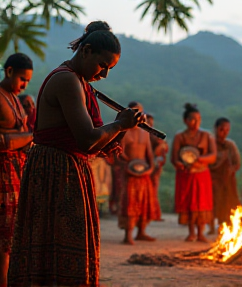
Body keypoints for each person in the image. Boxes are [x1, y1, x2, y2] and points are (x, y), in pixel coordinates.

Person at [8, 21, 145, 287]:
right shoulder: (66, 79)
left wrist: (124, 127)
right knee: (55, 248)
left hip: (68, 170)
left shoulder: (80, 81)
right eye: (102, 65)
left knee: (69, 248)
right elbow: (87, 139)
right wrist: (119, 124)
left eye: (110, 69)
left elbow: (100, 144)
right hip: (54, 171)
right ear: (86, 51)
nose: (104, 74)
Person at [0, 53, 33, 287]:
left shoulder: (14, 98)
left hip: (16, 170)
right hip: (2, 172)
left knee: (12, 235)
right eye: (22, 79)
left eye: (28, 82)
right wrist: (31, 135)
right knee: (4, 236)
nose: (24, 85)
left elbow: (13, 137)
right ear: (9, 71)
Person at [171, 103, 216, 243]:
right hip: (186, 174)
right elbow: (174, 158)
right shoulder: (180, 136)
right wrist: (181, 164)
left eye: (198, 119)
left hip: (202, 174)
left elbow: (213, 156)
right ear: (185, 120)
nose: (195, 122)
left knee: (201, 203)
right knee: (189, 202)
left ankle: (201, 232)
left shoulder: (207, 135)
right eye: (192, 119)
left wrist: (199, 159)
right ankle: (191, 232)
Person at [118, 101, 159, 245]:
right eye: (134, 111)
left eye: (140, 112)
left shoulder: (145, 132)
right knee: (130, 204)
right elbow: (120, 152)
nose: (138, 115)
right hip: (130, 172)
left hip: (144, 172)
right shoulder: (123, 132)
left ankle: (141, 232)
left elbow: (149, 153)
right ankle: (128, 235)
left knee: (144, 203)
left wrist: (150, 167)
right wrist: (130, 164)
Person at [209, 117, 241, 234]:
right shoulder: (210, 143)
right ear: (216, 128)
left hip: (227, 180)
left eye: (227, 129)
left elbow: (237, 163)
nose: (224, 132)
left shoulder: (230, 145)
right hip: (212, 178)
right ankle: (211, 226)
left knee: (227, 203)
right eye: (222, 129)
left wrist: (230, 170)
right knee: (213, 203)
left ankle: (225, 226)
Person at [146, 113, 168, 221]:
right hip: (143, 165)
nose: (149, 124)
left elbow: (163, 148)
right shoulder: (142, 133)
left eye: (151, 122)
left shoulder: (154, 134)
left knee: (153, 189)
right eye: (147, 122)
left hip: (155, 164)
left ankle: (155, 213)